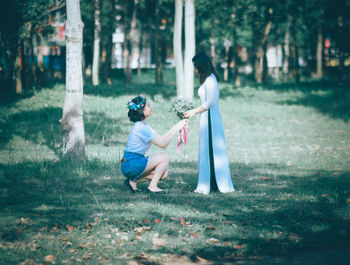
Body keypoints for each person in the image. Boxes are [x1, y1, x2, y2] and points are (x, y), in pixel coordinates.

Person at [183, 53, 235, 194]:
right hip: (206, 118)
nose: (195, 70)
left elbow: (210, 103)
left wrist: (193, 112)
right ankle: (210, 181)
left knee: (212, 149)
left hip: (211, 118)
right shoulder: (207, 79)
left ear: (201, 65)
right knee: (206, 149)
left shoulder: (211, 80)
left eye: (196, 66)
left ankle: (216, 182)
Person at [121, 95, 187, 194]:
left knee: (163, 174)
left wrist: (176, 127)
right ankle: (152, 187)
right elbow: (163, 144)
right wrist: (177, 127)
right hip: (131, 163)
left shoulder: (143, 126)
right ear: (142, 111)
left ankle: (133, 181)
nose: (150, 107)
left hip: (130, 163)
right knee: (165, 157)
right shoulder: (141, 128)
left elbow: (162, 139)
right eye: (148, 106)